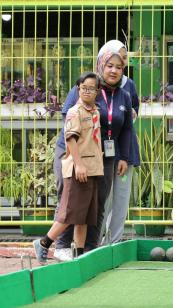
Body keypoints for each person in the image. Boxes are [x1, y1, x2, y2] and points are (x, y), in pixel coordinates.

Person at [51, 44, 133, 260]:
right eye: (109, 65)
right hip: (74, 152)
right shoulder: (87, 86)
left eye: (119, 67)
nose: (114, 70)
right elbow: (69, 122)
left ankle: (89, 249)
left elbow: (126, 129)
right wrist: (76, 160)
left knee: (97, 203)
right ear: (101, 64)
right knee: (71, 200)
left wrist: (124, 157)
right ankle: (61, 246)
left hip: (104, 156)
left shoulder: (124, 95)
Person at [33, 72, 103, 264]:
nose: (87, 91)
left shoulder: (95, 112)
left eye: (91, 88)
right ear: (78, 89)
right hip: (78, 169)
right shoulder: (74, 112)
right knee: (70, 213)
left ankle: (79, 256)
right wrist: (78, 165)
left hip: (92, 169)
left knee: (84, 217)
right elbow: (71, 139)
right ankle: (44, 243)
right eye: (83, 88)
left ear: (97, 91)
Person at [97, 40, 141, 245]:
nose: (118, 65)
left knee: (121, 199)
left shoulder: (128, 85)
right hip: (102, 151)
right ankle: (96, 242)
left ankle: (114, 242)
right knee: (103, 199)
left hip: (125, 149)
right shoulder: (93, 84)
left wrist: (132, 113)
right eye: (113, 60)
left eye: (123, 59)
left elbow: (134, 111)